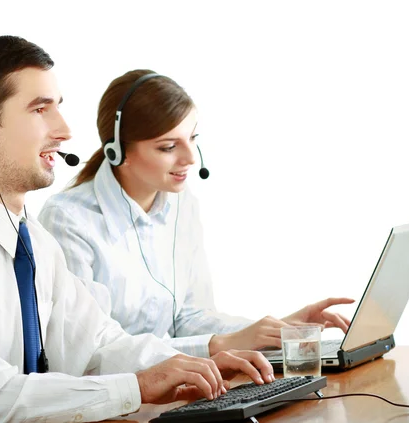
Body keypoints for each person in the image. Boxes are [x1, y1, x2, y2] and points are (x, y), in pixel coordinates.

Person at [0, 38, 275, 423]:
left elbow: (98, 346)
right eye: (40, 109)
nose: (65, 130)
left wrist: (193, 364)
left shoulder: (31, 240)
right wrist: (138, 386)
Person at [38, 69, 355, 358]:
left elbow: (186, 316)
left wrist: (274, 330)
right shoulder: (69, 221)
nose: (190, 157)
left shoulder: (180, 204)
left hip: (176, 385)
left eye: (192, 139)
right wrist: (218, 345)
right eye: (168, 147)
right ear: (117, 151)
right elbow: (89, 351)